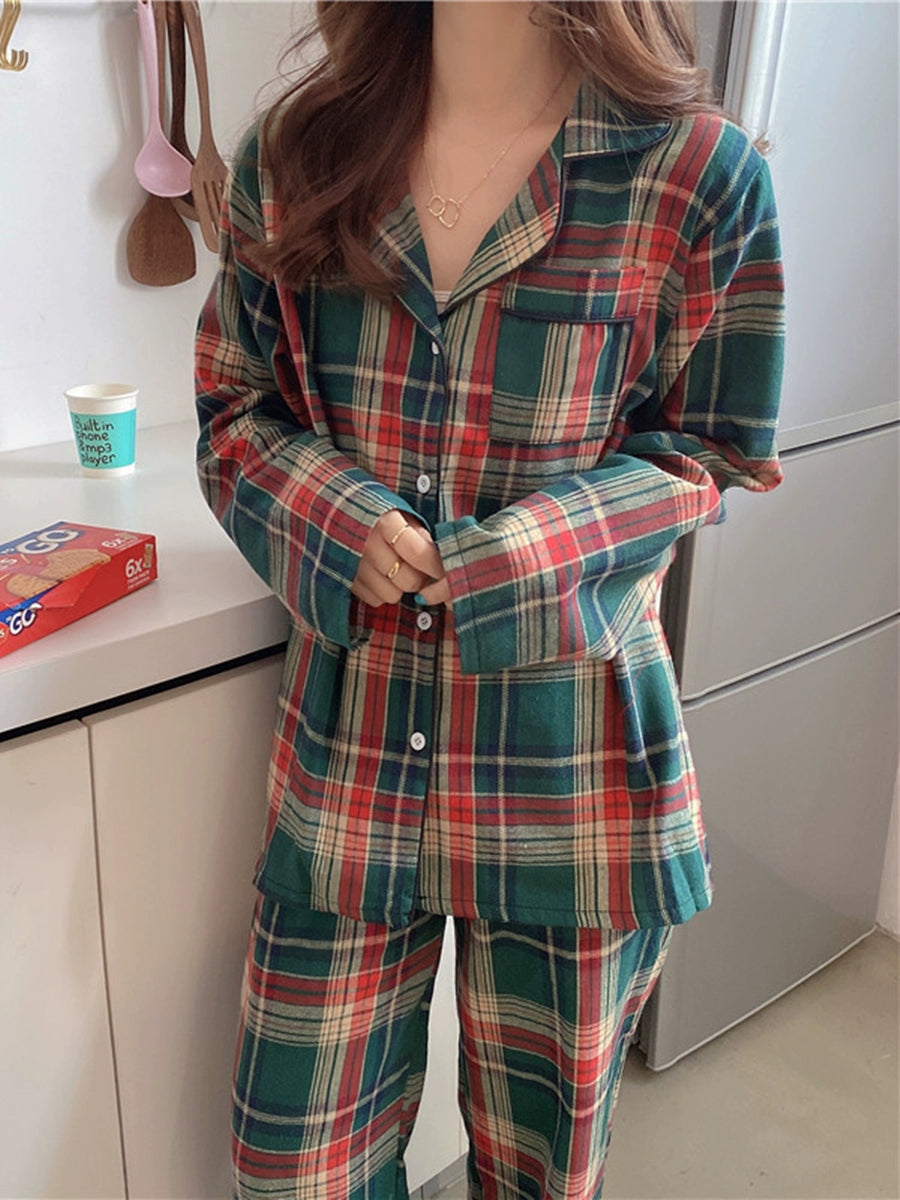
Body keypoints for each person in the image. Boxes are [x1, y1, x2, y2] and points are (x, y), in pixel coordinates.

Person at [194, 2, 784, 1197]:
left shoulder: (697, 174)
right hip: (351, 765)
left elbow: (714, 448)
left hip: (572, 777)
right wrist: (340, 523)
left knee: (541, 1173)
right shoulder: (295, 156)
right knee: (294, 1167)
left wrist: (517, 555)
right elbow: (236, 406)